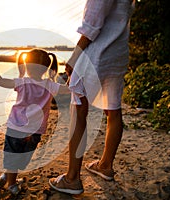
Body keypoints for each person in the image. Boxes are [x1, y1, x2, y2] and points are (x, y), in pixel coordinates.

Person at [49, 0, 135, 195]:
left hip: (97, 54)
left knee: (79, 112)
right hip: (118, 53)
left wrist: (72, 59)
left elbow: (91, 27)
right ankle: (105, 165)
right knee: (113, 110)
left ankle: (72, 178)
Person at [0, 49, 70, 195]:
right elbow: (68, 89)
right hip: (35, 131)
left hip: (15, 127)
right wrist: (71, 73)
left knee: (12, 155)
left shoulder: (22, 82)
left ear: (27, 66)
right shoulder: (50, 85)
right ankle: (9, 180)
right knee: (21, 158)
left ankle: (10, 181)